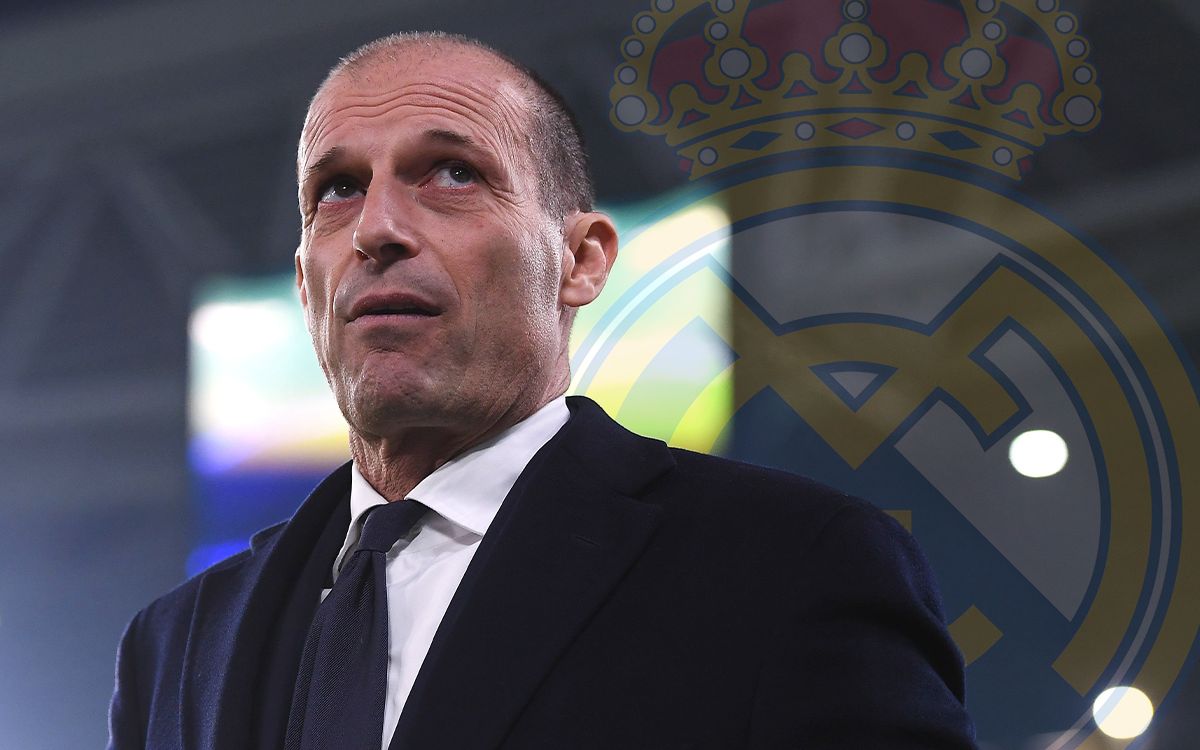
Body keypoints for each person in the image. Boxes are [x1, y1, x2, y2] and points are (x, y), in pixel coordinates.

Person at [108, 31, 977, 750]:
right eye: (338, 189)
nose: (376, 227)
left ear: (581, 259)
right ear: (307, 286)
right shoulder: (174, 644)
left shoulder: (790, 564)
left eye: (452, 172)